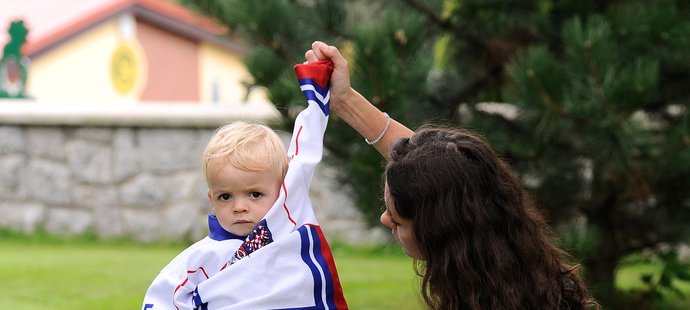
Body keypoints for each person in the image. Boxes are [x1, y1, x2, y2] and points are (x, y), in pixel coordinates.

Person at [304, 41, 598, 310]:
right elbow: (434, 167)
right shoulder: (536, 282)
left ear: (439, 231)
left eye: (396, 219)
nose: (384, 219)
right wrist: (343, 100)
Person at [142, 61, 347, 309]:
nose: (240, 207)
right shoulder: (202, 258)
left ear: (282, 191)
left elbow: (306, 153)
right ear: (211, 199)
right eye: (225, 197)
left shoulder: (286, 220)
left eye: (254, 194)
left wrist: (317, 94)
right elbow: (161, 298)